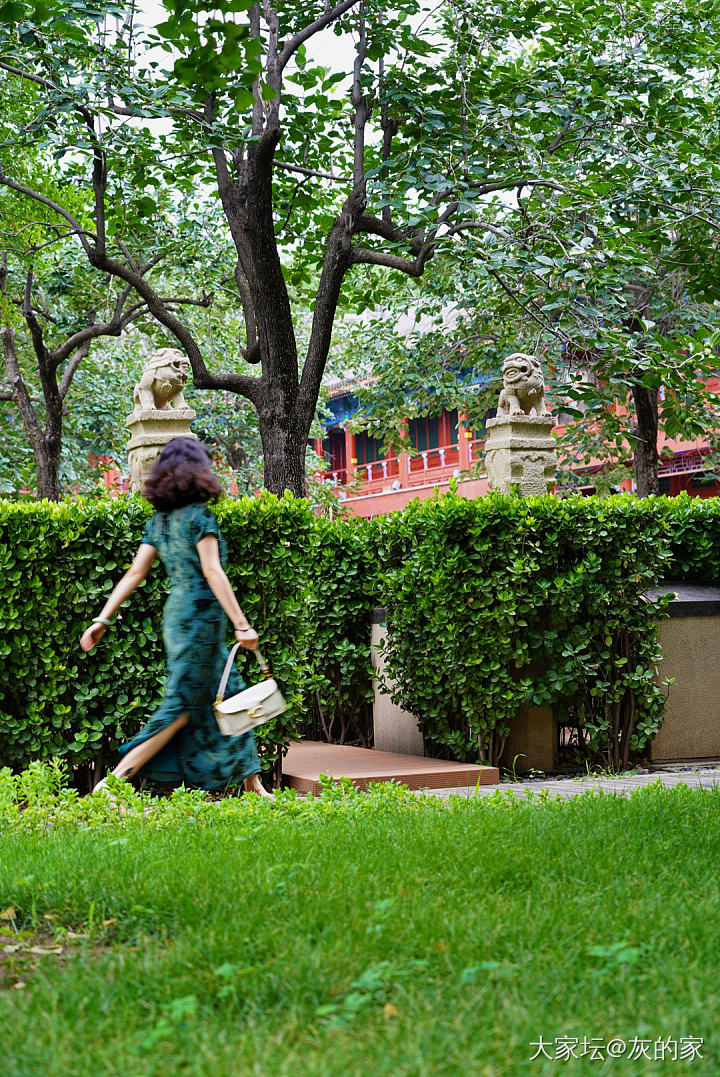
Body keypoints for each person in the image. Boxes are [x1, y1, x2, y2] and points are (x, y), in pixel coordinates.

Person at [80, 436, 272, 800]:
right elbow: (213, 571)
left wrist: (102, 619)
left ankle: (254, 785)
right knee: (183, 707)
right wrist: (242, 624)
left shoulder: (160, 522)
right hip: (200, 621)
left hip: (179, 620)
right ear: (198, 471)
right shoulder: (200, 517)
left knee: (232, 692)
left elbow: (135, 573)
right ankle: (115, 782)